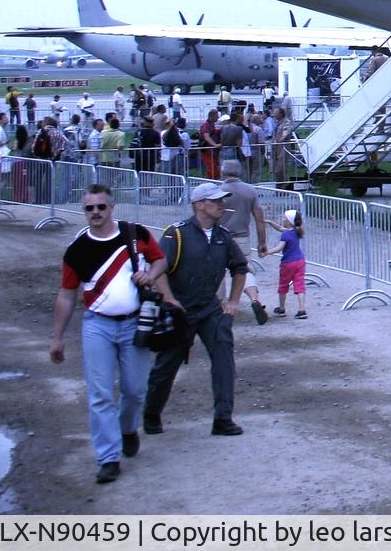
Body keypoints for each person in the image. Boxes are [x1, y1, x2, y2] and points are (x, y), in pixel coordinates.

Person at [50, 184, 175, 483]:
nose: (95, 213)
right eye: (89, 208)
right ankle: (108, 457)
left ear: (112, 207)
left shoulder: (135, 234)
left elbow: (160, 260)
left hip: (135, 323)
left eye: (100, 207)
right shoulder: (77, 250)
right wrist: (57, 337)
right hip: (97, 325)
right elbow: (66, 295)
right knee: (100, 393)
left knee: (134, 390)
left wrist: (151, 274)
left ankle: (128, 427)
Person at [143, 181, 248, 436]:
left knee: (224, 359)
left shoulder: (223, 236)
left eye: (223, 200)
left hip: (210, 309)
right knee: (167, 365)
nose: (223, 204)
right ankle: (151, 413)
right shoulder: (176, 234)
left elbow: (240, 268)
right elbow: (158, 268)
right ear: (199, 205)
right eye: (217, 201)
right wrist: (169, 299)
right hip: (180, 311)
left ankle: (223, 418)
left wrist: (233, 302)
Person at [216, 159, 271, 322]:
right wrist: (262, 242)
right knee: (244, 269)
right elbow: (259, 219)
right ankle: (254, 299)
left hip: (221, 237)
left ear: (223, 171)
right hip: (242, 237)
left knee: (219, 273)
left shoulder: (218, 191)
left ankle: (221, 306)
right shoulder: (250, 191)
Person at [265, 208, 309, 318]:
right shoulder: (296, 231)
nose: (282, 218)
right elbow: (280, 228)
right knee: (299, 285)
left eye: (284, 217)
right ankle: (302, 310)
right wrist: (270, 222)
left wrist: (266, 252)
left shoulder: (285, 235)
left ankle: (282, 308)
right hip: (300, 261)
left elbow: (279, 248)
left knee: (283, 285)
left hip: (288, 263)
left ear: (289, 221)